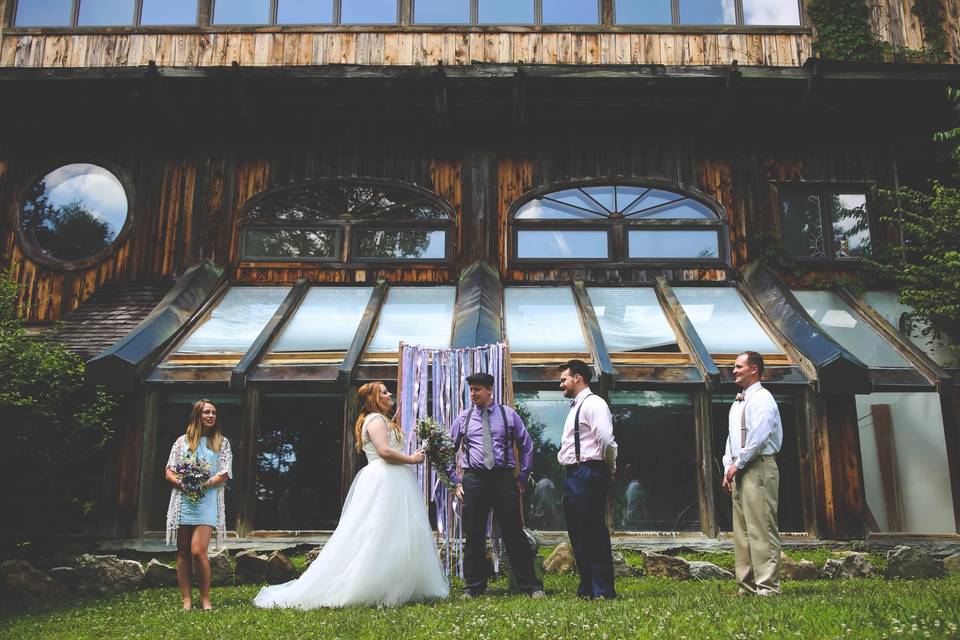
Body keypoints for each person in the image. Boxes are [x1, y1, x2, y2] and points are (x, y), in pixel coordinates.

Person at [253, 381, 448, 609]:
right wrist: (412, 459)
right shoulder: (375, 420)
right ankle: (370, 583)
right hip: (384, 479)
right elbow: (384, 452)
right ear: (374, 399)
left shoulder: (382, 420)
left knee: (397, 531)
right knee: (377, 530)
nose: (389, 394)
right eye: (384, 392)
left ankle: (401, 581)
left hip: (395, 479)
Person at [448, 372, 545, 598]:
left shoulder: (508, 415)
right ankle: (474, 588)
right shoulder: (463, 418)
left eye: (477, 390)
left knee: (514, 533)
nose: (473, 394)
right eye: (471, 390)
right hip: (474, 480)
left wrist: (522, 478)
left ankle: (530, 586)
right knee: (474, 534)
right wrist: (455, 480)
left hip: (503, 479)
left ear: (489, 390)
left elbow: (527, 445)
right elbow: (446, 450)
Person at [722, 351, 784, 596]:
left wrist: (740, 462)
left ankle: (767, 585)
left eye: (739, 367)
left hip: (758, 466)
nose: (734, 371)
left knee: (762, 526)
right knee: (743, 530)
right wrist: (729, 466)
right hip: (739, 468)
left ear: (754, 369)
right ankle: (746, 585)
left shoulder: (763, 398)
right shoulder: (737, 402)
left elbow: (759, 436)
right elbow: (732, 437)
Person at [164, 399, 233, 611]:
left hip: (208, 501)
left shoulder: (222, 442)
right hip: (184, 500)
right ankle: (186, 599)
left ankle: (205, 599)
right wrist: (183, 484)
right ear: (197, 415)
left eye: (213, 413)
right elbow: (169, 471)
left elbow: (224, 473)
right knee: (183, 551)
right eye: (206, 412)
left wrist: (203, 483)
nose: (211, 416)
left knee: (198, 551)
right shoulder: (181, 442)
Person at [557, 359, 618, 600]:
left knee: (593, 532)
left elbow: (605, 439)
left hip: (589, 471)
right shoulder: (574, 407)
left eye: (564, 379)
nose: (561, 383)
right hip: (574, 474)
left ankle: (603, 590)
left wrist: (609, 466)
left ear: (578, 377)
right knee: (578, 533)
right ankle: (587, 588)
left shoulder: (595, 404)